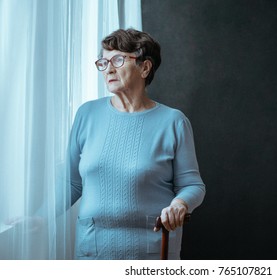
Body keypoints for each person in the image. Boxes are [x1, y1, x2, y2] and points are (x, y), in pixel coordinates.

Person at [68, 28, 205, 260]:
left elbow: (193, 185)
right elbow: (70, 183)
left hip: (151, 253)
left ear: (144, 67)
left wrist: (180, 203)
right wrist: (39, 217)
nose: (108, 69)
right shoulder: (86, 115)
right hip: (92, 254)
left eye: (118, 60)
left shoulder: (173, 122)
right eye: (104, 62)